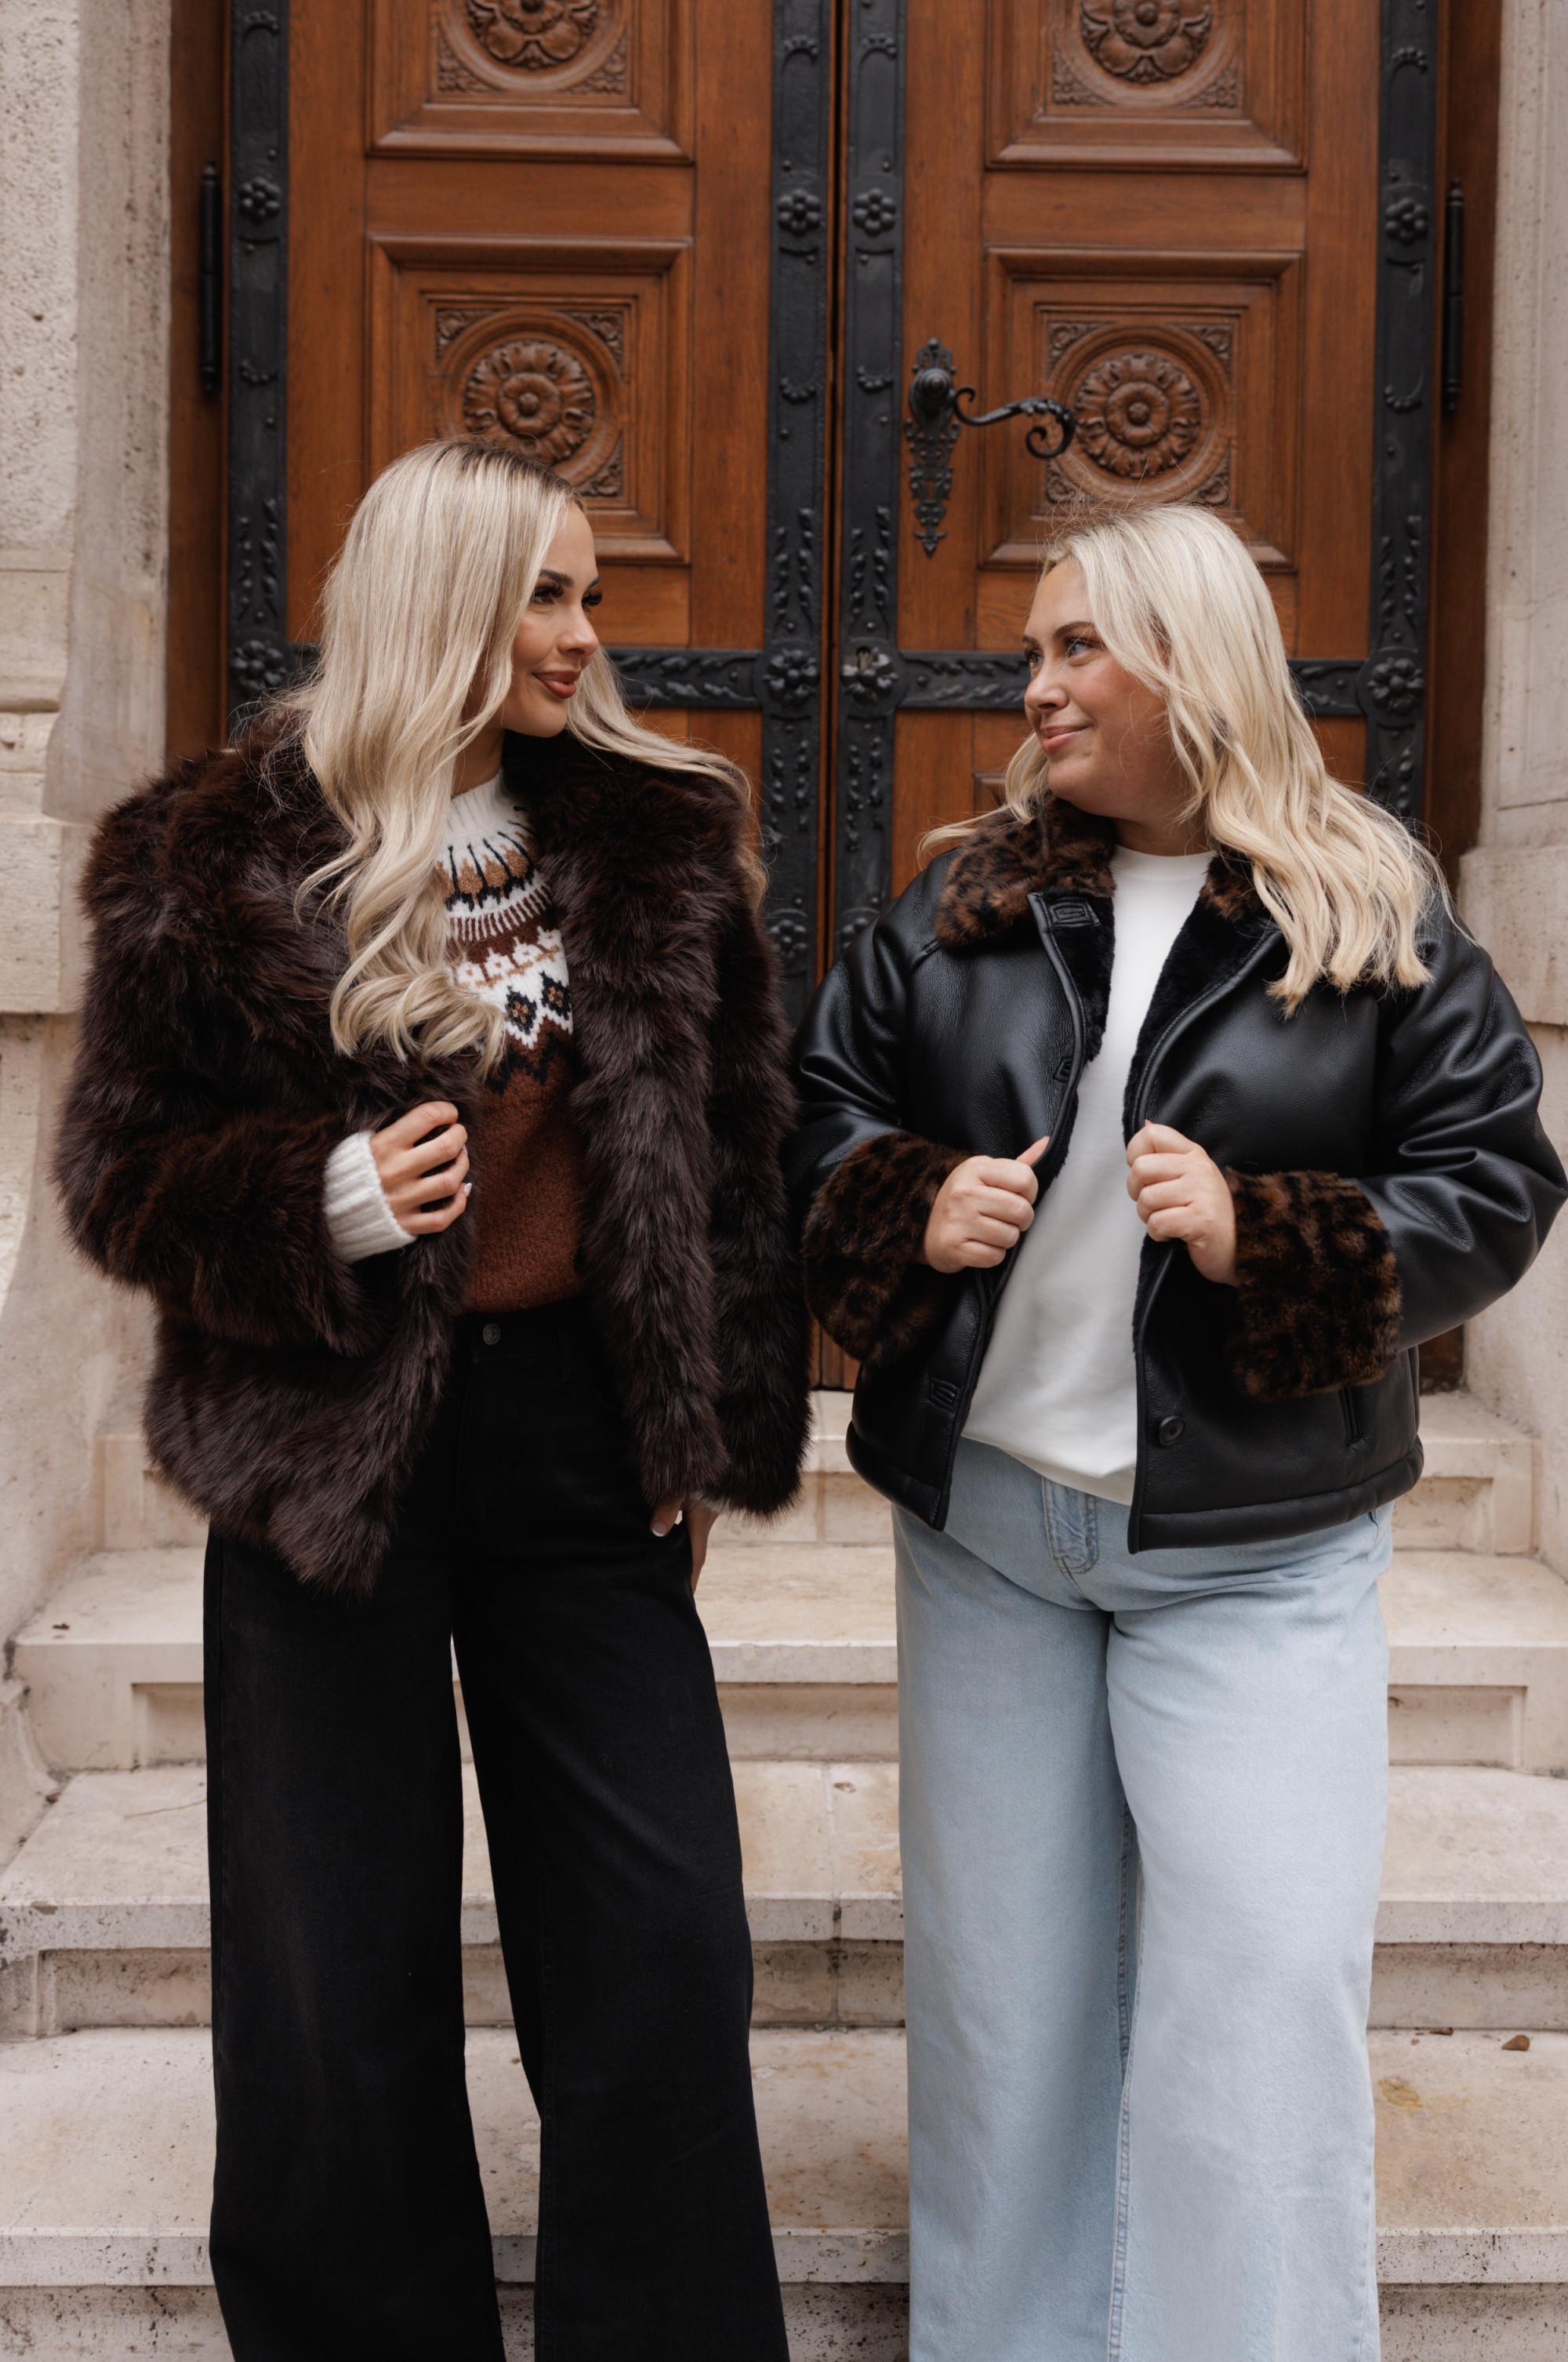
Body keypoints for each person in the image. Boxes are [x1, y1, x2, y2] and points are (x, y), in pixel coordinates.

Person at [55, 437, 808, 2362]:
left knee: (658, 1951)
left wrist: (701, 1428)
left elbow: (737, 1159)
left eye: (588, 599)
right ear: (442, 603)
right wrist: (328, 1199)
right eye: (546, 594)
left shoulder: (658, 835)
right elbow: (120, 1178)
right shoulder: (200, 852)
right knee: (331, 1971)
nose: (583, 635)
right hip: (325, 1457)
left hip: (580, 1453)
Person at [786, 500, 1565, 2362]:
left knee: (1259, 1994)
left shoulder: (1365, 907)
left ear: (1186, 664)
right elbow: (813, 1112)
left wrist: (1267, 1234)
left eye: (1075, 649)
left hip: (1259, 1549)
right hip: (989, 1536)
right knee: (1007, 2008)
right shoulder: (963, 898)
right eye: (1035, 648)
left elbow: (1498, 1179)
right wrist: (905, 1201)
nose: (1032, 685)